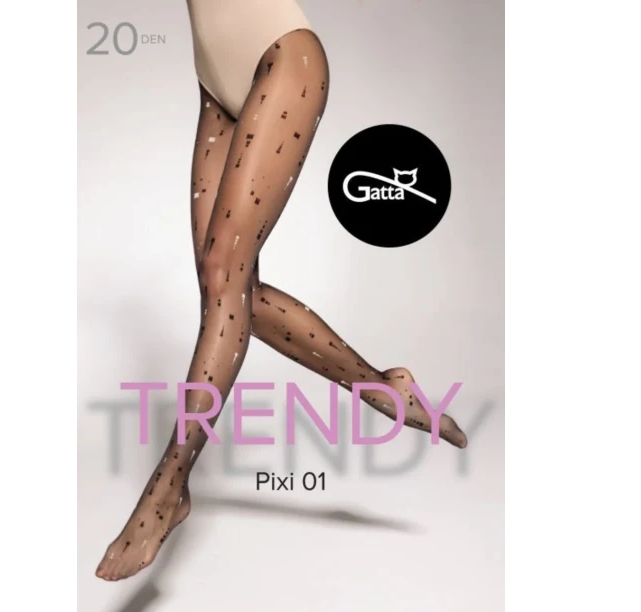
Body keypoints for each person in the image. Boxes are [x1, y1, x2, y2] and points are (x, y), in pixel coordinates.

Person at [96, 0, 466, 582]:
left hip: (284, 58)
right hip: (214, 79)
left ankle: (167, 488)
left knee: (225, 278)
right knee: (226, 285)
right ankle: (382, 388)